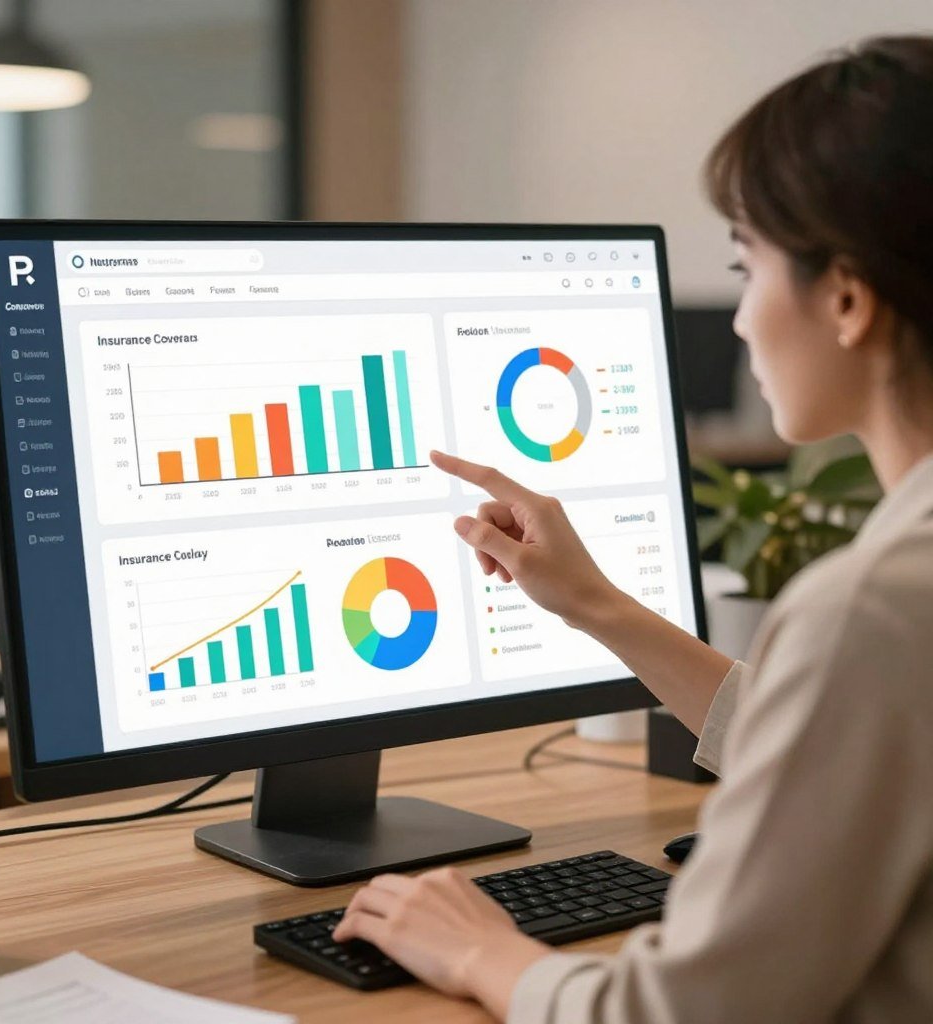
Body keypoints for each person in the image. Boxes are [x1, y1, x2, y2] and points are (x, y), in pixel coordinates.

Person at [332, 35, 933, 1023]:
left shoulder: (871, 607)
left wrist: (487, 953)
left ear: (846, 296)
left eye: (747, 269)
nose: (738, 321)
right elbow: (846, 749)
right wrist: (599, 608)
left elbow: (681, 1013)